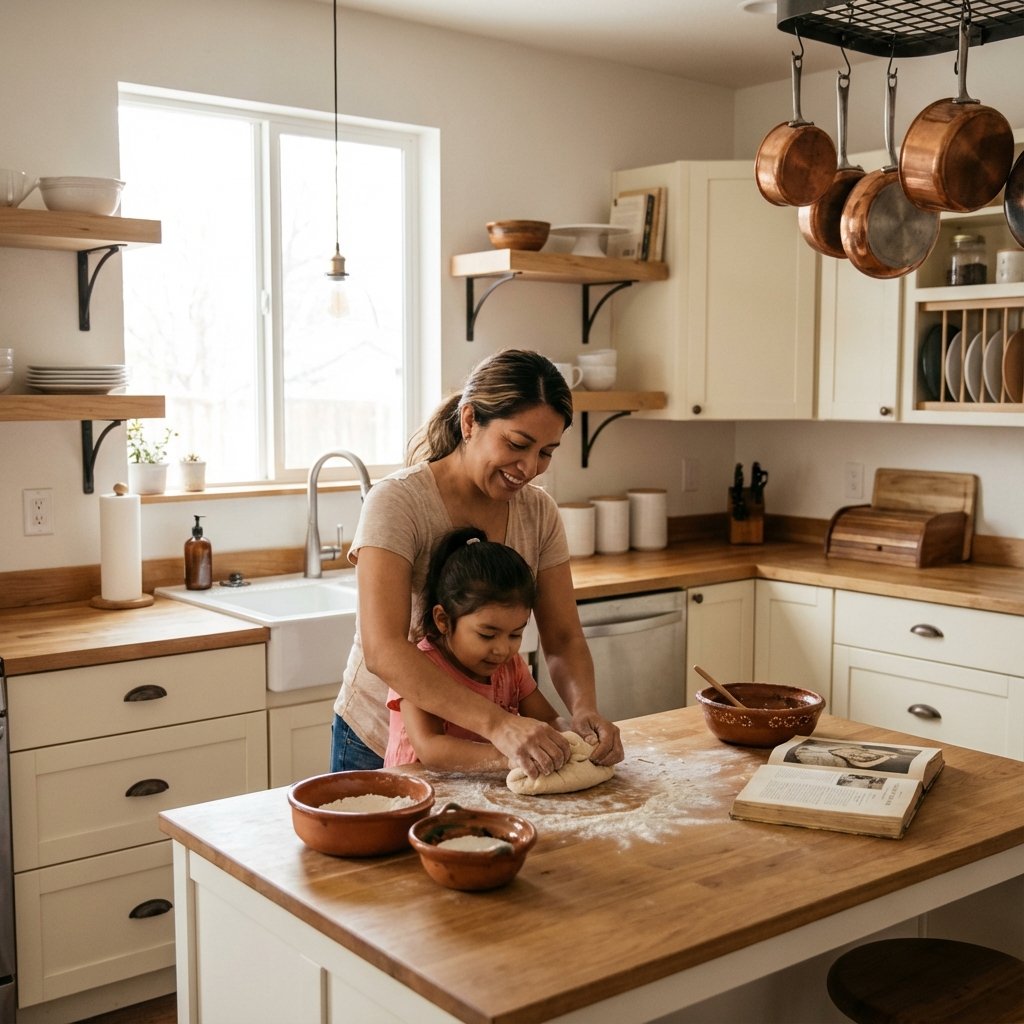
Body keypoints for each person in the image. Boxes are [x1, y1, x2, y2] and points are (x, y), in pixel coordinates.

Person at [330, 348, 623, 778]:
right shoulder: (397, 503)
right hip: (384, 743)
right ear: (470, 422)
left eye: (546, 452)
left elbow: (561, 637)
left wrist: (583, 711)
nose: (529, 468)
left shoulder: (538, 513)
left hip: (489, 747)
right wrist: (498, 724)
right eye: (518, 444)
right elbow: (384, 650)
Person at [385, 527, 567, 770]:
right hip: (421, 797)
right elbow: (430, 748)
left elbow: (549, 719)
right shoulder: (420, 668)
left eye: (515, 634)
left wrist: (574, 735)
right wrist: (509, 757)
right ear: (443, 620)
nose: (502, 649)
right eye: (487, 635)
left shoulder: (510, 667)